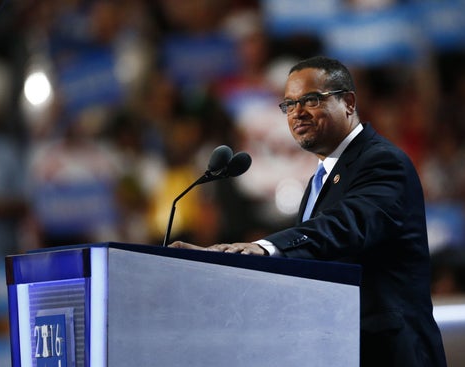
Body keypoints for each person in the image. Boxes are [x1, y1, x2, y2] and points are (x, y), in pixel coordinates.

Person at [170, 56, 447, 367]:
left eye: (311, 100)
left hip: (391, 353)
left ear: (349, 102)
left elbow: (344, 227)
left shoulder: (382, 162)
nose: (296, 113)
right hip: (340, 350)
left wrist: (264, 248)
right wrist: (227, 266)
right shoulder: (321, 179)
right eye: (288, 104)